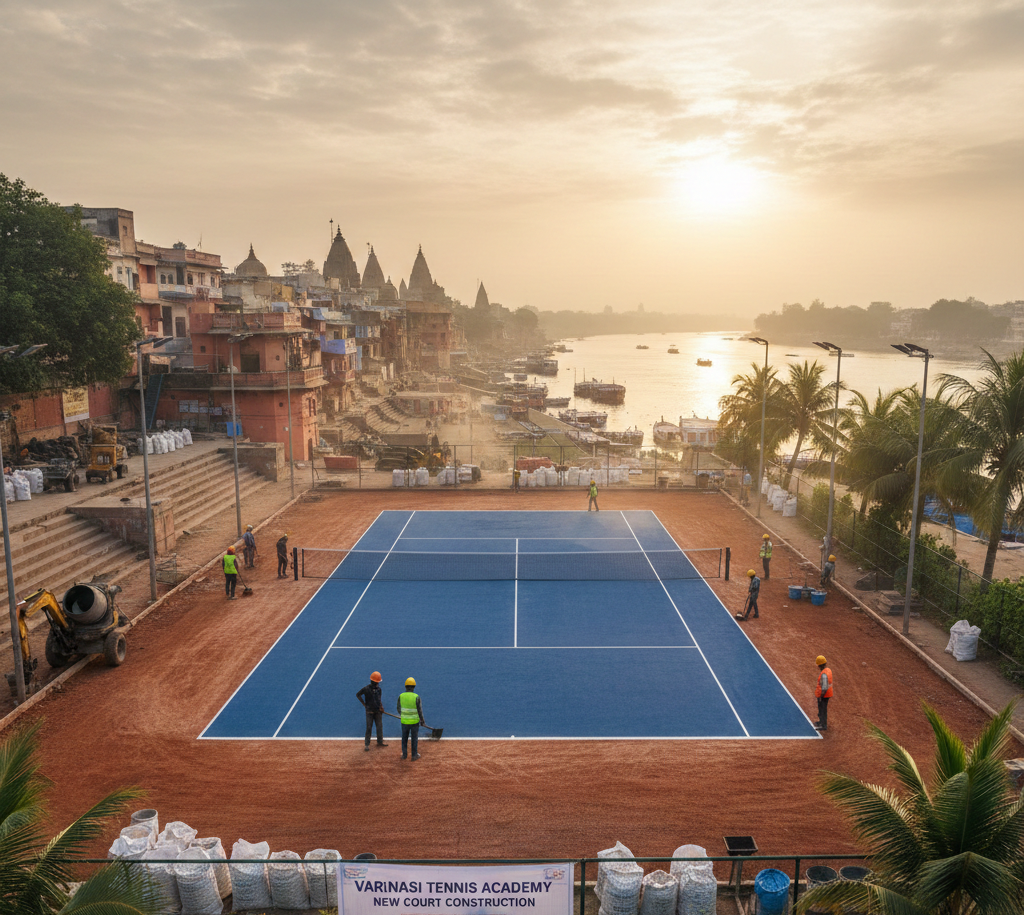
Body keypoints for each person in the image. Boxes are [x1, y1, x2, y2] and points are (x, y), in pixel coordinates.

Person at [356, 671, 388, 751]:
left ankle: (380, 741)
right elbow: (358, 694)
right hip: (369, 712)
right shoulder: (366, 689)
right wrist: (364, 704)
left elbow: (379, 699)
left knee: (379, 727)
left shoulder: (379, 690)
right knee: (369, 728)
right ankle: (367, 744)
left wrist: (381, 707)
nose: (378, 683)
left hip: (377, 712)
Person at [398, 677, 425, 760]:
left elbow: (398, 709)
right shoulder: (416, 697)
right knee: (414, 739)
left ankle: (404, 755)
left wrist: (404, 715)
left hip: (404, 721)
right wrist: (422, 720)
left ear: (405, 687)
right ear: (414, 687)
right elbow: (419, 710)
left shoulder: (401, 696)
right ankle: (414, 755)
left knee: (404, 738)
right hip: (414, 722)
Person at [814, 655, 833, 731]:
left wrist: (821, 696)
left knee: (822, 709)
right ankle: (821, 722)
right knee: (821, 709)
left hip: (824, 695)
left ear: (819, 665)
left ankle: (823, 725)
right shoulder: (828, 670)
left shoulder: (824, 674)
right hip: (827, 694)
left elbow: (824, 687)